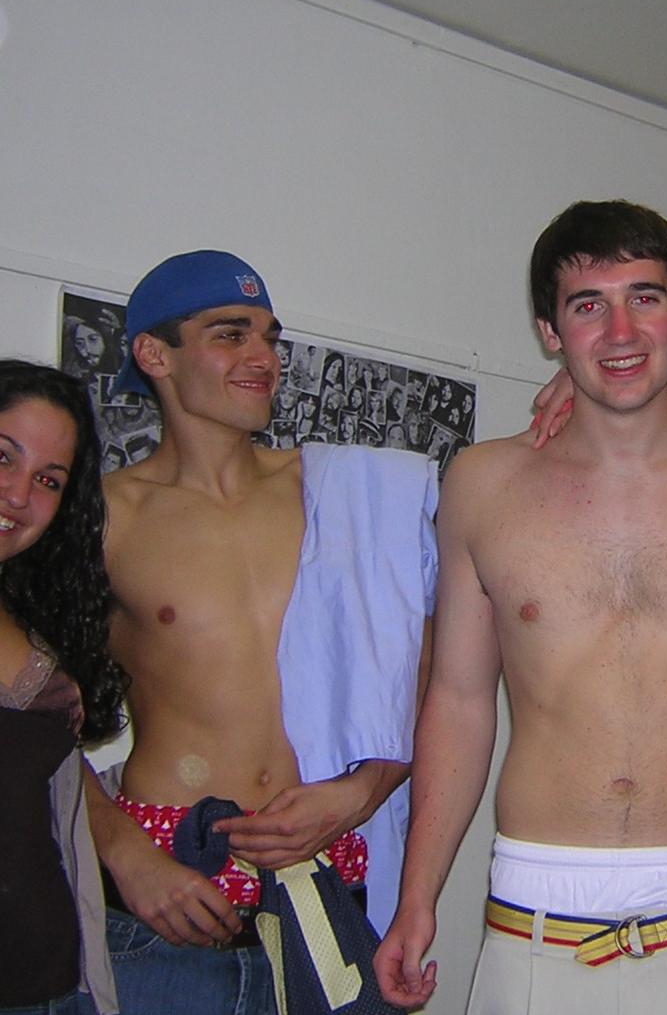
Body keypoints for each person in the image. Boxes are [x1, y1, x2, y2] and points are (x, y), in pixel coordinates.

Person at [375, 200, 667, 1015]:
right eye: (588, 306)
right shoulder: (482, 486)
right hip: (537, 899)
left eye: (645, 298)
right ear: (550, 332)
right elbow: (458, 700)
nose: (621, 331)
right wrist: (417, 895)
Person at [87, 250, 437, 1015]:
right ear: (154, 354)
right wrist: (122, 852)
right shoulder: (107, 517)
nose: (264, 358)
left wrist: (362, 790)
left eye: (269, 337)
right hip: (167, 897)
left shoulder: (341, 495)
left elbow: (430, 671)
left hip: (325, 885)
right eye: (230, 333)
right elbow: (23, 715)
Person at [0, 362, 127, 1015]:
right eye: (2, 457)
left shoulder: (38, 638)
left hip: (50, 990)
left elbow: (61, 836)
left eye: (48, 480)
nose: (18, 495)